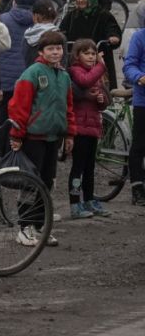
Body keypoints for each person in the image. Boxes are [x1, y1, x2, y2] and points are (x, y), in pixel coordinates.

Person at [7, 29, 72, 248]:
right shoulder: (32, 73)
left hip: (54, 136)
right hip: (33, 137)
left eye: (58, 48)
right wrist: (16, 135)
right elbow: (19, 107)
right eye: (50, 49)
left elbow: (68, 107)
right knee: (30, 183)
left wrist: (70, 134)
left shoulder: (63, 76)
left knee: (47, 182)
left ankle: (39, 226)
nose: (55, 52)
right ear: (41, 51)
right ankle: (24, 227)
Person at [67, 39, 111, 219]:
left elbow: (105, 102)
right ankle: (75, 202)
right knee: (78, 167)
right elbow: (85, 81)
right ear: (77, 56)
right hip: (79, 129)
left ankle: (90, 199)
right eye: (87, 53)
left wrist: (101, 100)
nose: (92, 57)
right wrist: (101, 66)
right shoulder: (75, 71)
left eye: (93, 54)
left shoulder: (96, 75)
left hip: (93, 128)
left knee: (90, 168)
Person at [0, 0, 39, 156]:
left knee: (4, 115)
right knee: (23, 115)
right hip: (26, 77)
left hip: (5, 76)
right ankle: (17, 151)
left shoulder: (4, 18)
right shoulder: (37, 22)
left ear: (14, 2)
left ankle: (0, 150)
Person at [59, 0, 121, 87]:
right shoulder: (72, 15)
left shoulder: (103, 15)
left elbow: (112, 28)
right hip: (76, 61)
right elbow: (62, 31)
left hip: (97, 57)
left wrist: (113, 37)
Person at [122, 25, 145, 206]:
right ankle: (137, 188)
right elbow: (129, 65)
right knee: (140, 144)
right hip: (143, 100)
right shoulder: (139, 37)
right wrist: (139, 77)